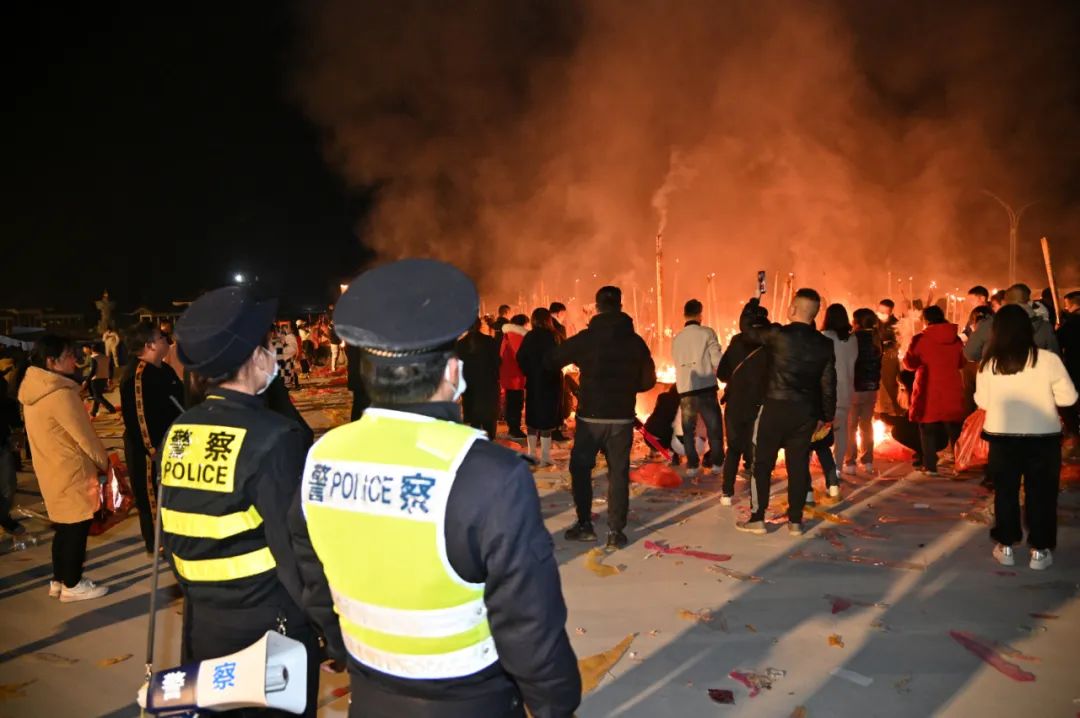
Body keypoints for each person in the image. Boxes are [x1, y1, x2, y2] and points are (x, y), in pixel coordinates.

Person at [290, 258, 580, 717]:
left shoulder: (322, 456)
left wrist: (342, 647)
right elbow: (528, 619)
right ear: (451, 373)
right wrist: (554, 704)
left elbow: (311, 571)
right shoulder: (488, 473)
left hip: (369, 691)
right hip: (471, 698)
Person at [163, 286, 321, 715]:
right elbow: (295, 550)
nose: (274, 355)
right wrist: (326, 623)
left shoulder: (180, 431)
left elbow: (173, 530)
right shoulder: (274, 438)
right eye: (268, 347)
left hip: (203, 624)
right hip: (269, 630)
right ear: (254, 358)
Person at [548, 286, 655, 549]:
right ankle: (616, 531)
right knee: (618, 473)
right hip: (621, 418)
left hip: (591, 418)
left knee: (581, 468)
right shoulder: (635, 341)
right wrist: (626, 387)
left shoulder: (588, 338)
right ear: (620, 305)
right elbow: (648, 380)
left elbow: (552, 359)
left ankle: (584, 524)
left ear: (597, 307)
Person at [977, 305, 1077, 570]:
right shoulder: (1048, 360)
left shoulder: (990, 363)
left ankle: (1006, 546)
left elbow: (982, 401)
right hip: (1043, 437)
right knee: (1042, 494)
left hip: (1002, 436)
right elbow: (1068, 398)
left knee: (1006, 492)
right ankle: (1040, 551)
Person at [736, 288, 836, 537]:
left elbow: (747, 331)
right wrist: (826, 416)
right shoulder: (825, 344)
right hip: (805, 411)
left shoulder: (778, 334)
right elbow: (828, 383)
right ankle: (795, 520)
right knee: (798, 466)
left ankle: (758, 517)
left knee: (762, 463)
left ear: (793, 309)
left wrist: (752, 304)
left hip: (775, 406)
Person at [18, 335, 110, 601]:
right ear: (51, 361)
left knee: (63, 528)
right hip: (72, 471)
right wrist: (105, 463)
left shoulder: (34, 391)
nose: (74, 361)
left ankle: (58, 580)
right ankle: (72, 584)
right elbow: (85, 437)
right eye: (69, 356)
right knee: (76, 529)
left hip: (50, 468)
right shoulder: (60, 394)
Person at [119, 321, 184, 555]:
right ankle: (158, 544)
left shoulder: (164, 369)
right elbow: (139, 419)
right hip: (150, 451)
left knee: (173, 496)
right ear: (150, 345)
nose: (167, 341)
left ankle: (174, 539)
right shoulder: (138, 376)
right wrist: (153, 450)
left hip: (174, 445)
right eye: (162, 337)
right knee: (152, 498)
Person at [716, 304, 770, 505]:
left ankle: (726, 493)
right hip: (759, 404)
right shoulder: (769, 345)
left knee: (733, 448)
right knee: (757, 449)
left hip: (735, 403)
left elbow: (722, 373)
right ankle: (757, 496)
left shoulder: (736, 342)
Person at [904, 305, 966, 475]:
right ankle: (961, 464)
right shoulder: (956, 339)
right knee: (954, 430)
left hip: (928, 389)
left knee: (927, 429)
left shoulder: (920, 339)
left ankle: (930, 466)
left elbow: (909, 363)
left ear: (925, 320)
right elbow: (961, 362)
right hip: (952, 388)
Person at [672, 299, 724, 477]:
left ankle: (693, 465)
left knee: (688, 431)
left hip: (686, 390)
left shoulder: (677, 338)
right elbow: (717, 360)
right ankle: (717, 463)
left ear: (684, 315)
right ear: (700, 314)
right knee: (714, 428)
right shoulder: (707, 333)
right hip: (706, 388)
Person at [516, 308, 563, 466]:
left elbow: (520, 356)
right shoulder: (554, 336)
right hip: (551, 382)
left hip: (534, 381)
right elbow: (561, 356)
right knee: (547, 419)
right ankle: (545, 456)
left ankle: (531, 454)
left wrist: (529, 371)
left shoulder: (530, 336)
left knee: (533, 418)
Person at [965, 283, 1060, 361]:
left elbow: (971, 354)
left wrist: (988, 360)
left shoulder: (988, 324)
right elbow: (1055, 358)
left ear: (1005, 302)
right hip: (1035, 376)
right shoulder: (1045, 327)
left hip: (1000, 374)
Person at [820, 304, 856, 496]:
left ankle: (812, 466)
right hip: (845, 390)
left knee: (819, 433)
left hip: (826, 392)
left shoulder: (823, 337)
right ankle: (838, 467)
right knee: (842, 432)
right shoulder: (852, 339)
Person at [845, 309, 882, 475]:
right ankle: (868, 461)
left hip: (855, 388)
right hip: (872, 389)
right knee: (866, 425)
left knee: (850, 426)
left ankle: (850, 462)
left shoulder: (853, 339)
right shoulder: (877, 338)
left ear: (857, 321)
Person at [455, 318, 500, 439]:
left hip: (469, 387)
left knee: (473, 421)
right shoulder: (489, 341)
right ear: (480, 325)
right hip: (488, 386)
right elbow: (497, 362)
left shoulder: (460, 344)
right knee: (488, 420)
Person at [0, 375, 25, 536]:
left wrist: (17, 436)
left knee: (9, 486)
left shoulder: (3, 387)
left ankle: (3, 518)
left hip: (2, 446)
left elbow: (15, 422)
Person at [499, 314, 528, 439]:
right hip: (515, 375)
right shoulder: (517, 336)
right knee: (515, 403)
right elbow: (520, 356)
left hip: (509, 374)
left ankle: (513, 427)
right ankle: (514, 429)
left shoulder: (507, 334)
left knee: (512, 402)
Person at [1057, 291, 1080, 436]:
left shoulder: (1070, 324)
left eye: (1066, 305)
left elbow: (1058, 343)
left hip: (1075, 367)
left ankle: (1074, 433)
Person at [875, 299, 902, 417]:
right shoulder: (873, 322)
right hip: (875, 357)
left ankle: (896, 411)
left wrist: (889, 345)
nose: (881, 314)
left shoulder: (896, 325)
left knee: (889, 385)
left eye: (884, 312)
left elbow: (899, 341)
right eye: (879, 311)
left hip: (889, 358)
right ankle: (877, 413)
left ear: (890, 313)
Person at [85, 342, 117, 417]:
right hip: (104, 378)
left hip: (95, 379)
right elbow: (111, 369)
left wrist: (87, 380)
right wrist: (110, 378)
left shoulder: (93, 357)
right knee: (98, 395)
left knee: (97, 396)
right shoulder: (106, 358)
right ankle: (94, 412)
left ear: (92, 349)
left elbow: (93, 370)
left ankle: (111, 408)